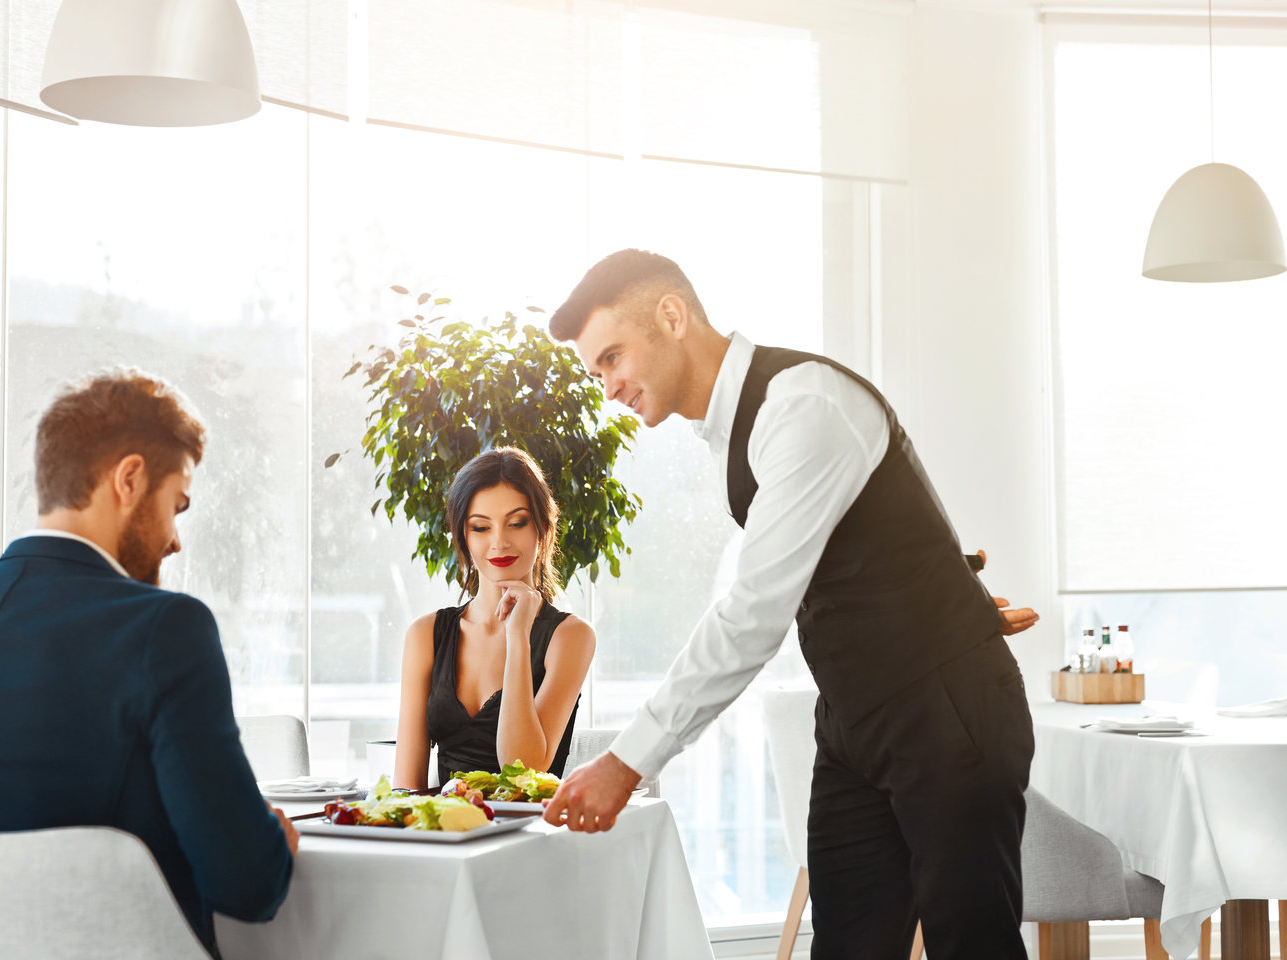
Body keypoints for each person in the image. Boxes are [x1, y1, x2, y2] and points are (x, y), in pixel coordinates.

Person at [540, 250, 1036, 960]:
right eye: (596, 371)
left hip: (946, 714)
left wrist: (628, 762)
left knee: (973, 947)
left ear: (672, 316)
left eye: (613, 357)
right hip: (854, 724)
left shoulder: (803, 405)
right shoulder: (731, 430)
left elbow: (753, 615)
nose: (609, 386)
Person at [0, 370, 296, 958]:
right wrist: (271, 842)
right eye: (176, 506)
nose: (175, 541)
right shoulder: (166, 629)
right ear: (130, 478)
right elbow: (247, 886)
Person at [393, 447, 596, 789]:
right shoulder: (425, 635)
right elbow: (406, 788)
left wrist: (518, 637)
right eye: (481, 527)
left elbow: (524, 769)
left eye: (517, 523)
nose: (499, 543)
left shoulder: (570, 637)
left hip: (527, 837)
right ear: (464, 535)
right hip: (446, 833)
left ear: (542, 527)